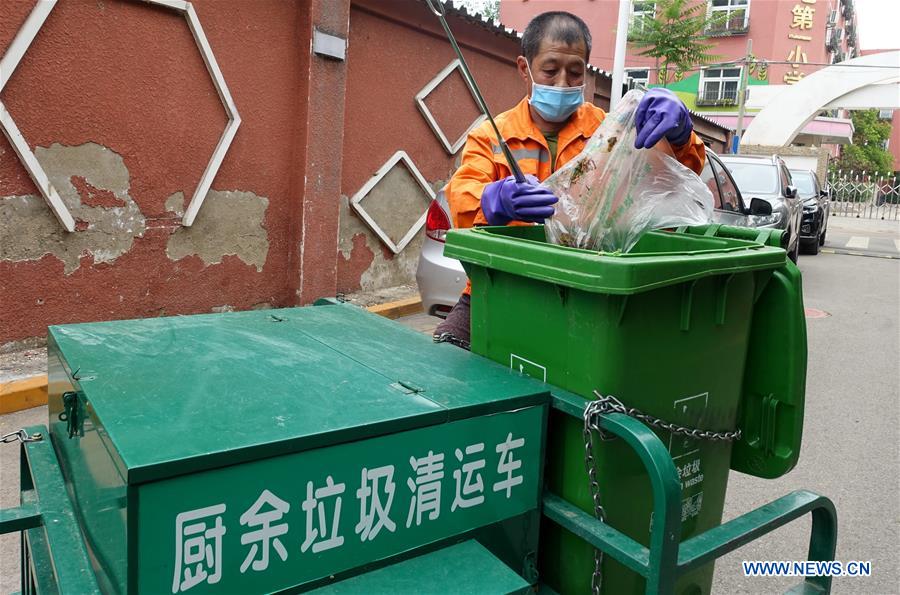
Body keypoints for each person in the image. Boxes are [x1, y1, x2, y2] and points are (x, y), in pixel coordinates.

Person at [433, 11, 706, 348]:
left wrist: (681, 135)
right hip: (498, 287)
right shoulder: (490, 135)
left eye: (575, 73)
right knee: (445, 358)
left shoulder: (610, 132)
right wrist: (493, 201)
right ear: (525, 68)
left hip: (587, 290)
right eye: (550, 71)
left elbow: (674, 175)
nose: (562, 83)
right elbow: (462, 199)